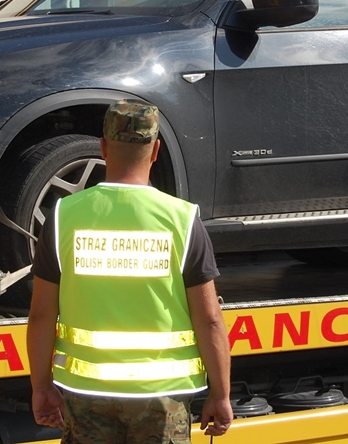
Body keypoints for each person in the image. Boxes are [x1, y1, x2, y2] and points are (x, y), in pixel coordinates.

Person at [27, 99, 233, 443]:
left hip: (87, 393)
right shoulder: (181, 220)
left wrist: (41, 386)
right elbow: (209, 319)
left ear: (103, 147)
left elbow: (41, 315)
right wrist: (221, 393)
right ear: (156, 151)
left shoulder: (63, 216)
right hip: (162, 396)